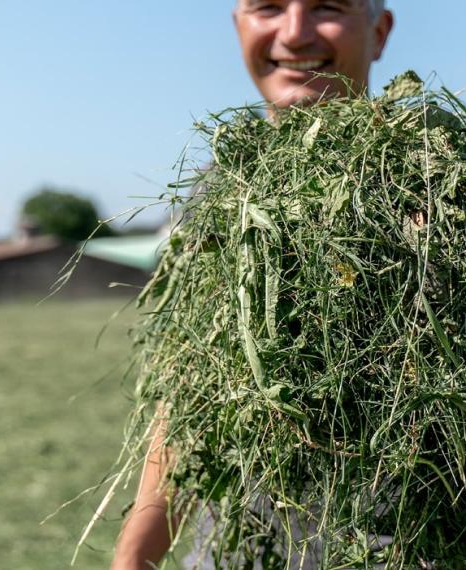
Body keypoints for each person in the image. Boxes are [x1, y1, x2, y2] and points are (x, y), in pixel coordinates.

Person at [109, 1, 394, 569]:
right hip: (235, 552)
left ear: (379, 31)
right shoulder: (216, 192)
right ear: (239, 25)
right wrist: (133, 558)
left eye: (327, 7)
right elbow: (189, 401)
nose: (293, 33)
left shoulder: (451, 194)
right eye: (267, 6)